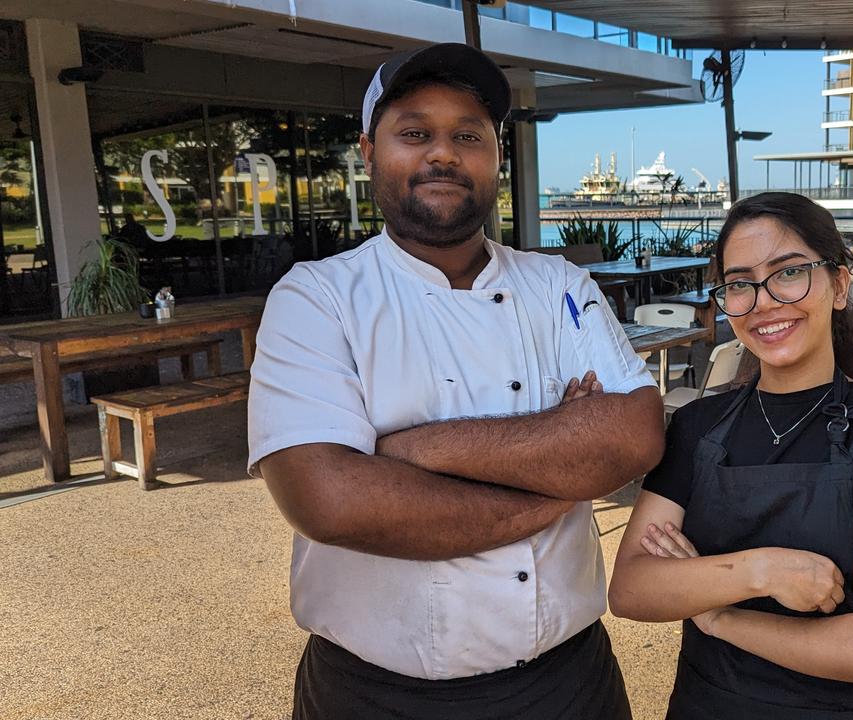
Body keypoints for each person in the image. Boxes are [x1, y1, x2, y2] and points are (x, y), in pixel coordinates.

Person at [247, 43, 665, 720]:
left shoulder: (559, 284)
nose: (443, 153)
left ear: (495, 158)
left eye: (468, 135)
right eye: (414, 133)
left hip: (569, 687)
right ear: (369, 152)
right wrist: (560, 475)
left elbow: (635, 435)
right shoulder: (317, 297)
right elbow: (329, 502)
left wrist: (409, 452)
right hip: (375, 698)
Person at [609, 192, 853, 719]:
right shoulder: (698, 427)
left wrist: (718, 615)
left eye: (789, 273)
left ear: (839, 285)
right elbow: (632, 588)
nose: (763, 302)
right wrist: (760, 571)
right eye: (740, 284)